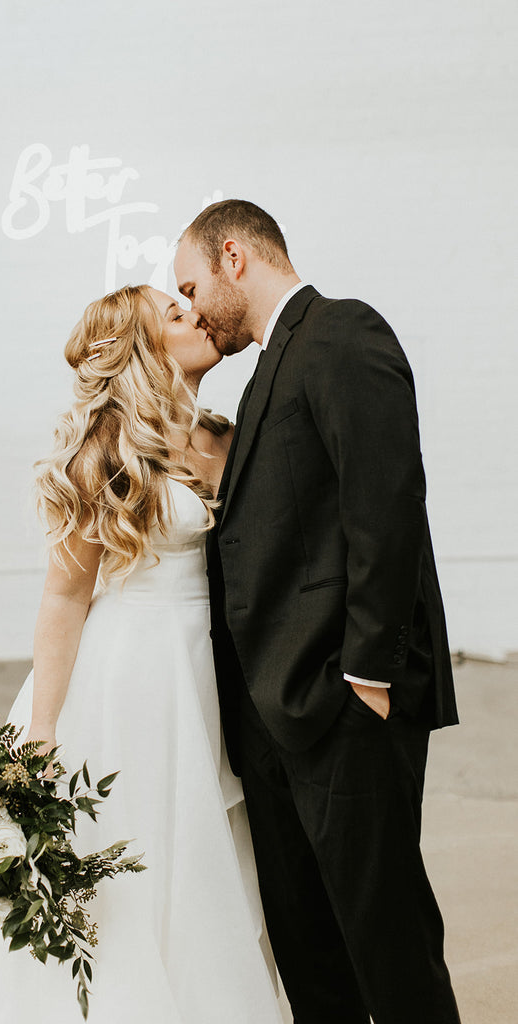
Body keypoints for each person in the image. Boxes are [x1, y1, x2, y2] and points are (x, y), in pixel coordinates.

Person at [0, 284, 283, 1023]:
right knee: (133, 861)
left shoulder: (224, 433)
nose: (197, 318)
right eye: (176, 317)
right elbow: (65, 596)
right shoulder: (108, 446)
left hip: (210, 674)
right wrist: (43, 729)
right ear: (146, 349)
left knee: (203, 862)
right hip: (133, 678)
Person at [174, 198, 462, 1024]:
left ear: (235, 255)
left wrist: (368, 674)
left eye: (191, 285)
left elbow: (387, 504)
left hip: (345, 705)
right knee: (310, 950)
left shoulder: (341, 333)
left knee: (388, 943)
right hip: (274, 715)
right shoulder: (270, 367)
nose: (190, 308)